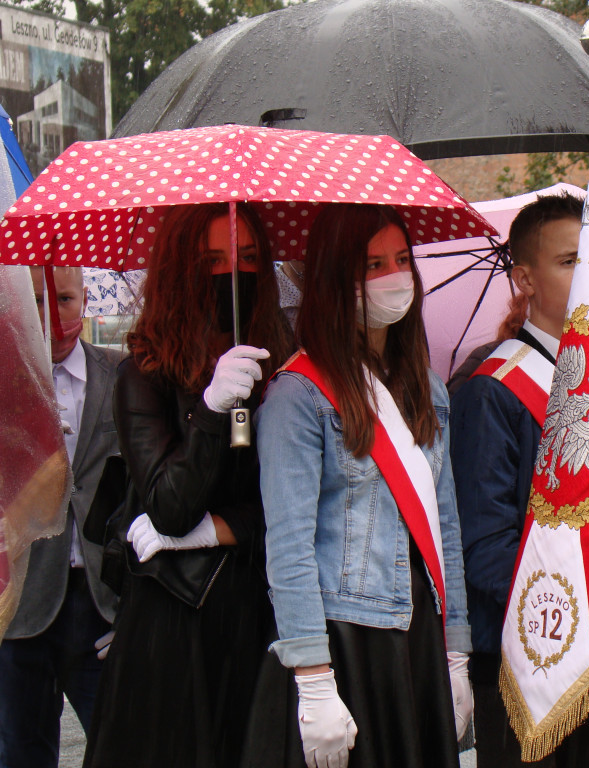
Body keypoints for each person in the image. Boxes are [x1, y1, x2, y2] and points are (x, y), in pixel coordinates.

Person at [253, 203, 471, 768]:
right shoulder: (297, 398)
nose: (394, 276)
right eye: (372, 264)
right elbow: (289, 547)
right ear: (334, 278)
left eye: (402, 260)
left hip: (420, 631)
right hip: (346, 641)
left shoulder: (426, 386)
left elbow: (445, 527)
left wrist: (456, 650)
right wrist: (313, 679)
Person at [83, 202, 293, 768]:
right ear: (181, 268)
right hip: (176, 625)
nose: (234, 272)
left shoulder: (283, 364)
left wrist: (222, 530)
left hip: (261, 615)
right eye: (213, 259)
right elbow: (170, 506)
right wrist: (211, 408)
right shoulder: (142, 375)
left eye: (249, 258)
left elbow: (295, 506)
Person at [449, 191, 589, 766]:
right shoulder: (489, 390)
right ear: (525, 279)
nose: (587, 273)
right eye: (568, 261)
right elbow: (485, 545)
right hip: (527, 660)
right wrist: (585, 606)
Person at [0, 266, 120, 768]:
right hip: (25, 606)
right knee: (23, 750)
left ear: (86, 298)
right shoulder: (8, 380)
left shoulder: (122, 374)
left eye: (63, 299)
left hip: (102, 601)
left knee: (120, 742)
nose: (52, 316)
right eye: (37, 303)